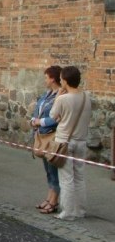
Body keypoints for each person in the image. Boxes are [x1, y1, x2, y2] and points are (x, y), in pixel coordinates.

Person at [50, 66, 92, 221]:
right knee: (79, 176)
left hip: (65, 141)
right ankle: (80, 210)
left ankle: (67, 211)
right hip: (81, 140)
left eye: (61, 79)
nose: (60, 81)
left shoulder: (63, 98)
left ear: (65, 81)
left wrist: (57, 97)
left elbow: (53, 115)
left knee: (66, 178)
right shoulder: (87, 97)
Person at [31, 66, 62, 214]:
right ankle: (49, 197)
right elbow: (38, 108)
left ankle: (54, 200)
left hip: (52, 135)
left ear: (53, 79)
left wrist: (40, 122)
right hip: (41, 136)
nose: (45, 80)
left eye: (46, 77)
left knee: (53, 168)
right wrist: (33, 119)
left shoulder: (60, 97)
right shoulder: (47, 94)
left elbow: (57, 118)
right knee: (47, 170)